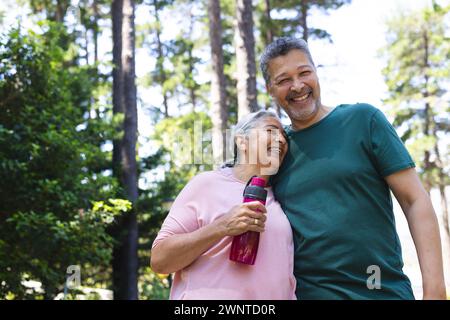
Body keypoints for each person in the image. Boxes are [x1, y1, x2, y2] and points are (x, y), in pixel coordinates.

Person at [260, 37, 446, 300]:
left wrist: (435, 291)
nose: (298, 85)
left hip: (379, 290)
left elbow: (414, 199)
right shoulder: (276, 149)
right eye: (284, 80)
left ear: (315, 72)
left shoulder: (363, 120)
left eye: (304, 73)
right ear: (270, 88)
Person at [150, 110, 297, 300]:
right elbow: (160, 261)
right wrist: (221, 227)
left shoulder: (282, 199)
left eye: (284, 136)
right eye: (271, 130)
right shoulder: (206, 185)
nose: (281, 140)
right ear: (242, 141)